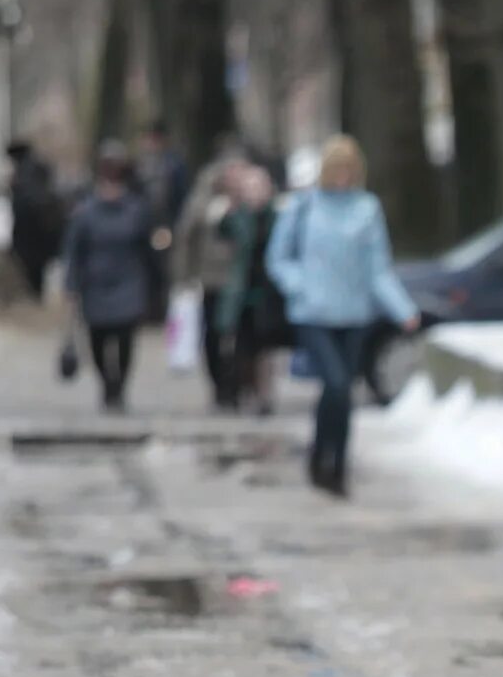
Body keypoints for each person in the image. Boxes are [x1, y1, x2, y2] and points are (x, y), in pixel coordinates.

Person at [266, 135, 419, 496]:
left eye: (349, 170)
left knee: (342, 392)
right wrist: (299, 286)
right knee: (334, 382)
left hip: (353, 314)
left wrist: (403, 310)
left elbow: (378, 269)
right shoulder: (303, 207)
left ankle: (336, 464)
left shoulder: (367, 209)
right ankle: (321, 455)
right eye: (337, 169)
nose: (343, 177)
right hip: (313, 313)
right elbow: (278, 258)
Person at [62, 142, 156, 413]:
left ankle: (119, 387)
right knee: (99, 340)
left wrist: (154, 285)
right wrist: (71, 284)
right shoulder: (85, 212)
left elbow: (147, 248)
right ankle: (107, 384)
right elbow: (74, 250)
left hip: (128, 281)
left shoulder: (136, 209)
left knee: (125, 339)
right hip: (95, 283)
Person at [175, 139, 249, 409]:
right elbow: (187, 235)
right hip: (212, 278)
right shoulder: (205, 198)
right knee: (214, 334)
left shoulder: (249, 196)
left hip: (244, 278)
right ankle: (219, 384)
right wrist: (184, 276)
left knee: (243, 335)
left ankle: (237, 385)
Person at [218, 163, 283, 416]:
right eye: (250, 188)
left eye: (259, 187)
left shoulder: (277, 216)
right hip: (242, 290)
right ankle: (244, 390)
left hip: (268, 291)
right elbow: (221, 232)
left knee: (266, 346)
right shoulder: (237, 217)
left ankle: (264, 394)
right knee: (243, 345)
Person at [7, 140, 64, 301]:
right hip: (39, 234)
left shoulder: (26, 175)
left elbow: (26, 205)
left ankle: (34, 297)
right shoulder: (37, 169)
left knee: (32, 269)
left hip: (32, 233)